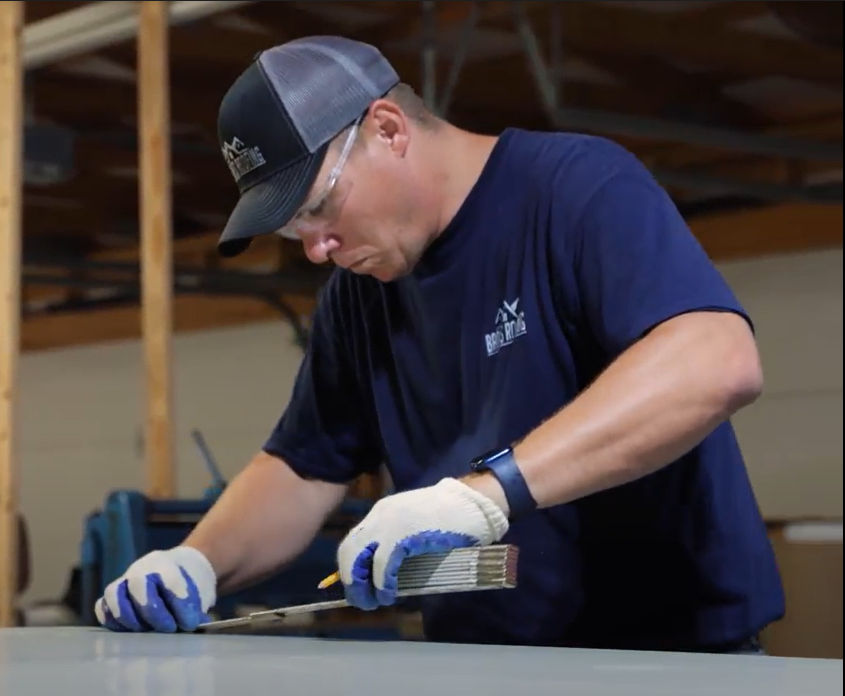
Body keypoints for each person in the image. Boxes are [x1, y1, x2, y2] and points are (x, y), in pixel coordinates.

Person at [93, 36, 784, 654]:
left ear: (387, 129)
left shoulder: (576, 189)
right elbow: (303, 466)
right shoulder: (360, 293)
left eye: (317, 208)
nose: (314, 248)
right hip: (478, 662)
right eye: (290, 231)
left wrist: (481, 496)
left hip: (661, 660)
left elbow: (711, 361)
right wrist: (195, 562)